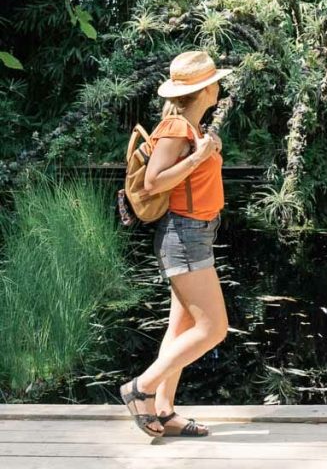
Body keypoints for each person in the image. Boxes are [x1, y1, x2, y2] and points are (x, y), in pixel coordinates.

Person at [119, 50, 230, 438]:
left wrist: (206, 150)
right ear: (205, 90)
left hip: (196, 232)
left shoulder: (191, 129)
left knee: (181, 326)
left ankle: (164, 410)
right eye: (215, 82)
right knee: (213, 328)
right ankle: (141, 388)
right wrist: (199, 157)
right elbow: (153, 182)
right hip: (184, 235)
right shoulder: (176, 128)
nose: (219, 87)